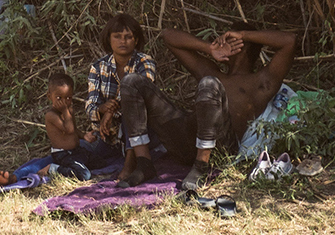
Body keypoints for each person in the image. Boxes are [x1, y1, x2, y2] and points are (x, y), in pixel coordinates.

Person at [121, 25, 299, 191]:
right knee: (132, 82)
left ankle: (201, 166)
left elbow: (289, 41)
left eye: (227, 40)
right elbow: (168, 36)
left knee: (210, 83)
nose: (220, 42)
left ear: (240, 46)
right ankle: (144, 163)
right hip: (186, 139)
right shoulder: (210, 69)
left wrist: (243, 34)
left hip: (219, 148)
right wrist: (209, 48)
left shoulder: (261, 83)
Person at [0, 72, 121, 188]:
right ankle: (53, 168)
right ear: (49, 96)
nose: (64, 102)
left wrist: (84, 136)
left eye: (68, 98)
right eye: (59, 98)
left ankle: (68, 167)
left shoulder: (69, 110)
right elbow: (68, 130)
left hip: (76, 151)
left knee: (101, 163)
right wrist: (65, 111)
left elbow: (73, 129)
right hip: (63, 154)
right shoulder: (51, 115)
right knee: (84, 174)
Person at [85, 11, 158, 150]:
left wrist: (111, 111)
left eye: (128, 37)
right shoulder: (98, 67)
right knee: (77, 151)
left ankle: (131, 162)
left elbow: (142, 88)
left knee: (132, 109)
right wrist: (102, 109)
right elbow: (90, 106)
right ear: (109, 39)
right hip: (107, 135)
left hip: (141, 131)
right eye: (117, 37)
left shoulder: (144, 62)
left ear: (136, 40)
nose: (122, 41)